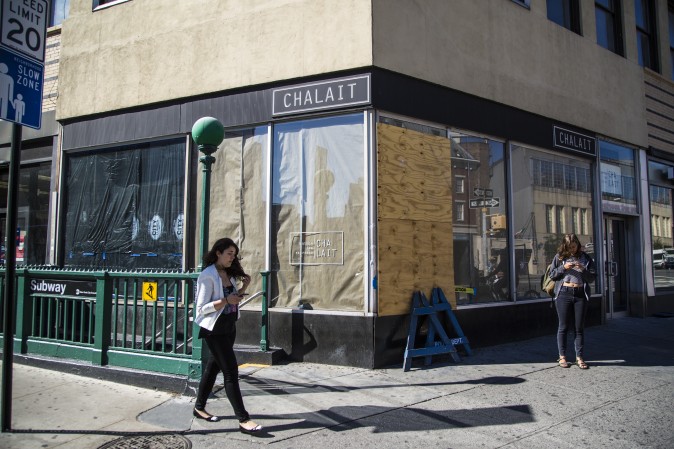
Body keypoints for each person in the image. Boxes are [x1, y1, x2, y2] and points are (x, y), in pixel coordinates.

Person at [193, 238, 262, 434]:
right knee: (231, 372)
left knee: (213, 368)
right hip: (214, 330)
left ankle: (199, 407)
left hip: (229, 327)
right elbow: (201, 308)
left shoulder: (229, 274)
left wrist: (243, 289)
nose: (233, 257)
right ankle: (244, 419)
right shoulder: (208, 275)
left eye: (234, 254)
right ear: (218, 253)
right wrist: (225, 300)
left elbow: (232, 301)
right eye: (229, 253)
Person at [549, 233, 596, 370]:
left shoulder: (585, 258)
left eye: (574, 246)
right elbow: (552, 275)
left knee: (579, 328)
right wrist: (564, 267)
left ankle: (579, 357)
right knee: (563, 326)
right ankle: (562, 356)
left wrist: (583, 269)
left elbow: (592, 278)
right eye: (569, 247)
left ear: (578, 245)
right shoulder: (559, 257)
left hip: (580, 294)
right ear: (565, 246)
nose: (572, 250)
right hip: (564, 293)